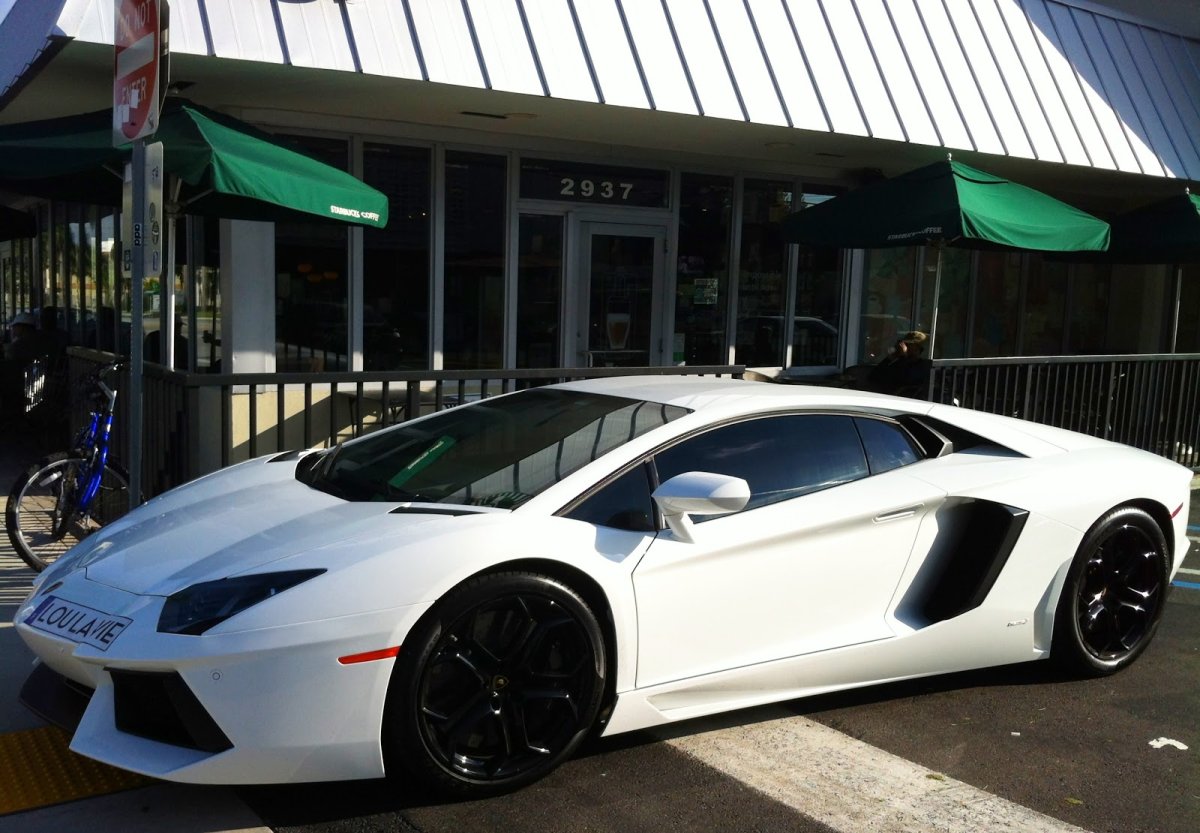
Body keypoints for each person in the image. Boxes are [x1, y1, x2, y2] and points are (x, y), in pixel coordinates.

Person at [866, 330, 931, 397]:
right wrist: (891, 357)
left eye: (909, 344)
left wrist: (903, 356)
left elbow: (905, 379)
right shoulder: (900, 361)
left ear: (918, 348)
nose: (905, 347)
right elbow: (873, 376)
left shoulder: (922, 365)